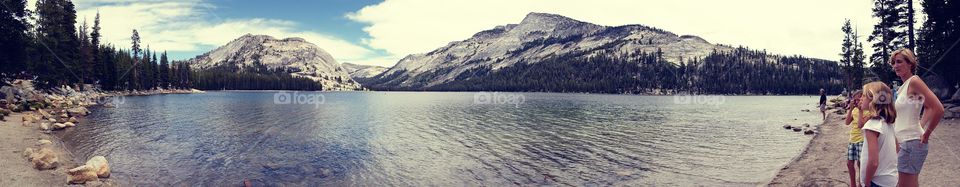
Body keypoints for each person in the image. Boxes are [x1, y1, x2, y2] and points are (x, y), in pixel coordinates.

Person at [888, 48, 945, 187]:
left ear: (910, 64)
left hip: (911, 143)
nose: (895, 65)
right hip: (906, 142)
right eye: (893, 62)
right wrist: (921, 124)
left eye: (899, 62)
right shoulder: (904, 87)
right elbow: (926, 106)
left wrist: (926, 134)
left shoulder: (914, 81)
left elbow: (938, 108)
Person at [859, 82, 899, 187]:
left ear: (874, 100)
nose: (860, 98)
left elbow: (873, 162)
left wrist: (866, 182)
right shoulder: (888, 123)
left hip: (876, 181)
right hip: (890, 179)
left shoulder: (872, 126)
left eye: (864, 96)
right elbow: (897, 148)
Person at [844, 90, 868, 187]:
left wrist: (861, 109)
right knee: (849, 163)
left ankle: (860, 183)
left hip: (862, 139)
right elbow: (847, 122)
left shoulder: (867, 110)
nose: (857, 100)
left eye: (859, 98)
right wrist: (850, 108)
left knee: (860, 164)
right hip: (852, 139)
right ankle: (853, 184)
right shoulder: (854, 110)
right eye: (855, 99)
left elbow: (860, 125)